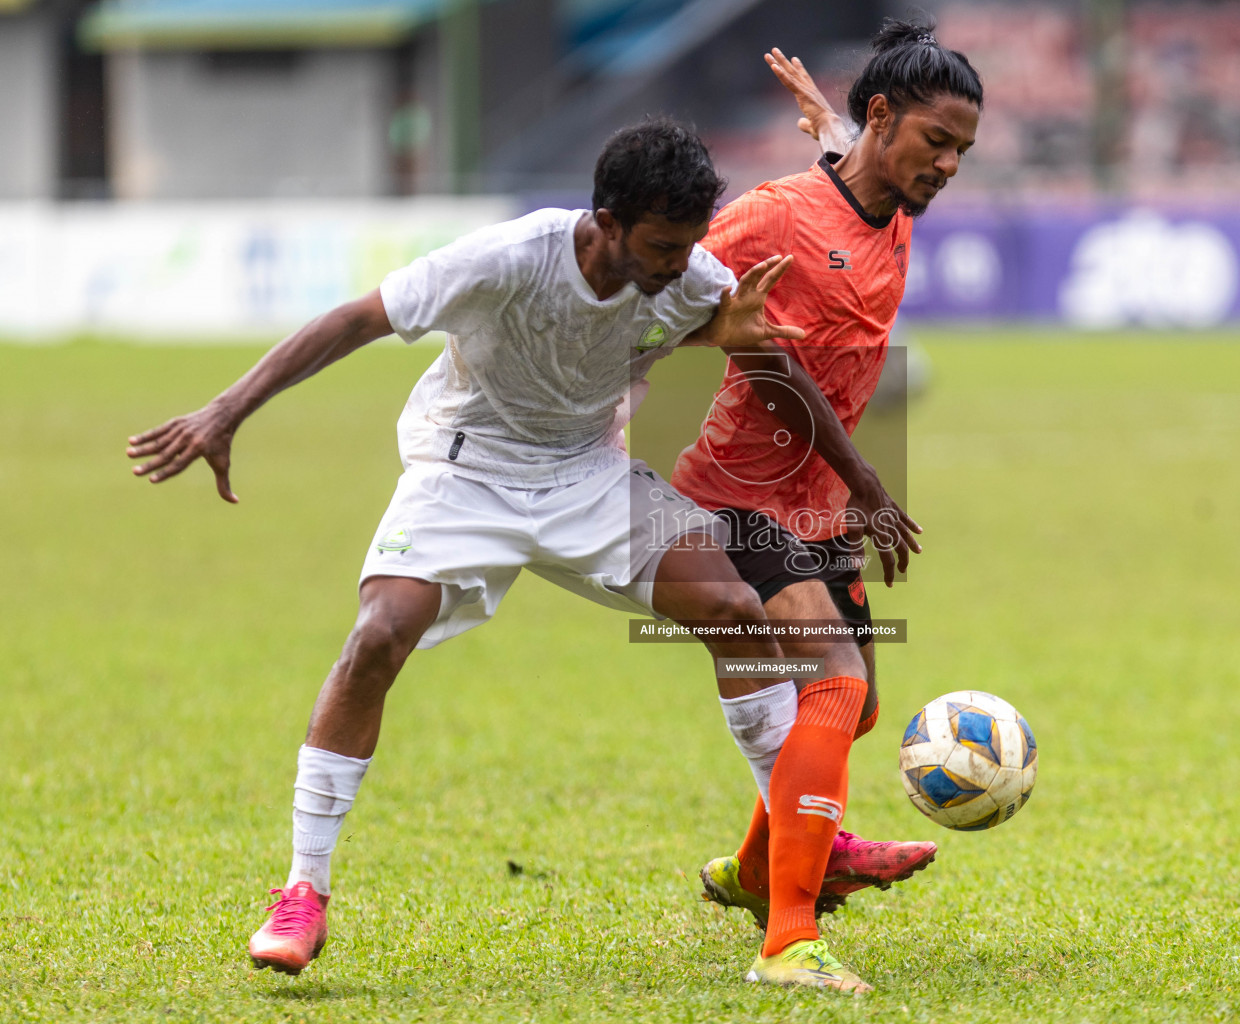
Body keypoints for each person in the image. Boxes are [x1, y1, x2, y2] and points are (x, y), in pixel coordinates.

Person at [125, 119, 864, 988]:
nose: (679, 263)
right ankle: (302, 891)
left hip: (588, 475)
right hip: (465, 469)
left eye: (691, 243)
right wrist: (225, 412)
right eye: (663, 245)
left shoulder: (693, 274)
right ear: (607, 219)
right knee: (377, 637)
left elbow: (731, 333)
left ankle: (795, 855)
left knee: (738, 613)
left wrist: (753, 369)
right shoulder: (510, 259)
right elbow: (356, 318)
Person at [671, 16, 984, 976]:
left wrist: (828, 124)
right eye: (939, 142)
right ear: (884, 117)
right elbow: (673, 296)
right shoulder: (771, 215)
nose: (950, 166)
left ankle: (758, 864)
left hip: (820, 507)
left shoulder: (892, 201)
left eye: (963, 150)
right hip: (738, 494)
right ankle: (789, 938)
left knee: (855, 709)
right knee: (833, 682)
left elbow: (853, 171)